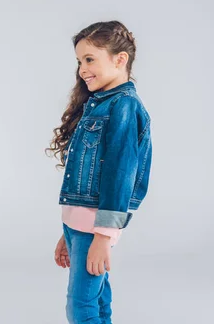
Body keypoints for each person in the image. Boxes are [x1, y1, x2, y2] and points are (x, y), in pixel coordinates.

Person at [48, 21, 153, 323]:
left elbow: (120, 174)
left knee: (80, 306)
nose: (82, 69)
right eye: (80, 61)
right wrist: (67, 233)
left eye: (90, 59)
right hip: (81, 226)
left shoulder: (123, 107)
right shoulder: (100, 104)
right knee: (98, 298)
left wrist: (104, 236)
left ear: (120, 59)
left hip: (97, 226)